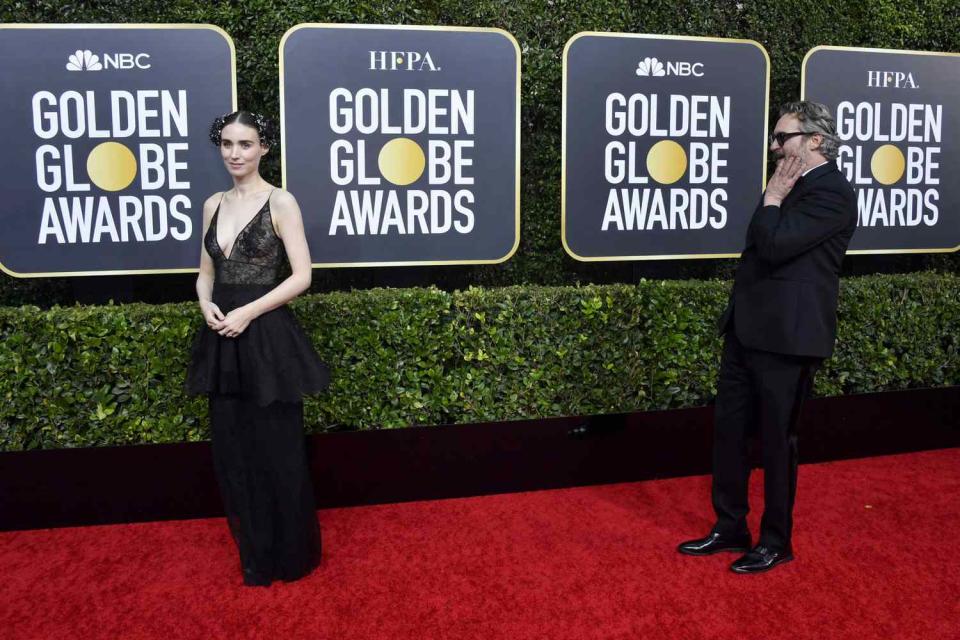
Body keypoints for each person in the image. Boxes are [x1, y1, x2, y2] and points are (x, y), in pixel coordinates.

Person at [677, 101, 857, 573]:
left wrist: (773, 197)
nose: (775, 147)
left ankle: (776, 540)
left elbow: (774, 246)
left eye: (783, 137)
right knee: (730, 433)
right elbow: (759, 243)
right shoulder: (789, 186)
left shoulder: (832, 193)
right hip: (746, 331)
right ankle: (729, 526)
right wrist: (775, 197)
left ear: (814, 140)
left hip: (788, 338)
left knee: (777, 441)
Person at [186, 110, 329, 586]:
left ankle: (291, 554)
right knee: (233, 451)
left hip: (266, 338)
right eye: (227, 144)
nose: (234, 153)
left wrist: (249, 312)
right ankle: (254, 552)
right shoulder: (211, 205)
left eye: (245, 144)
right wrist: (206, 305)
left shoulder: (280, 201)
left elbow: (303, 276)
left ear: (264, 148)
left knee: (276, 447)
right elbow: (206, 274)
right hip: (221, 339)